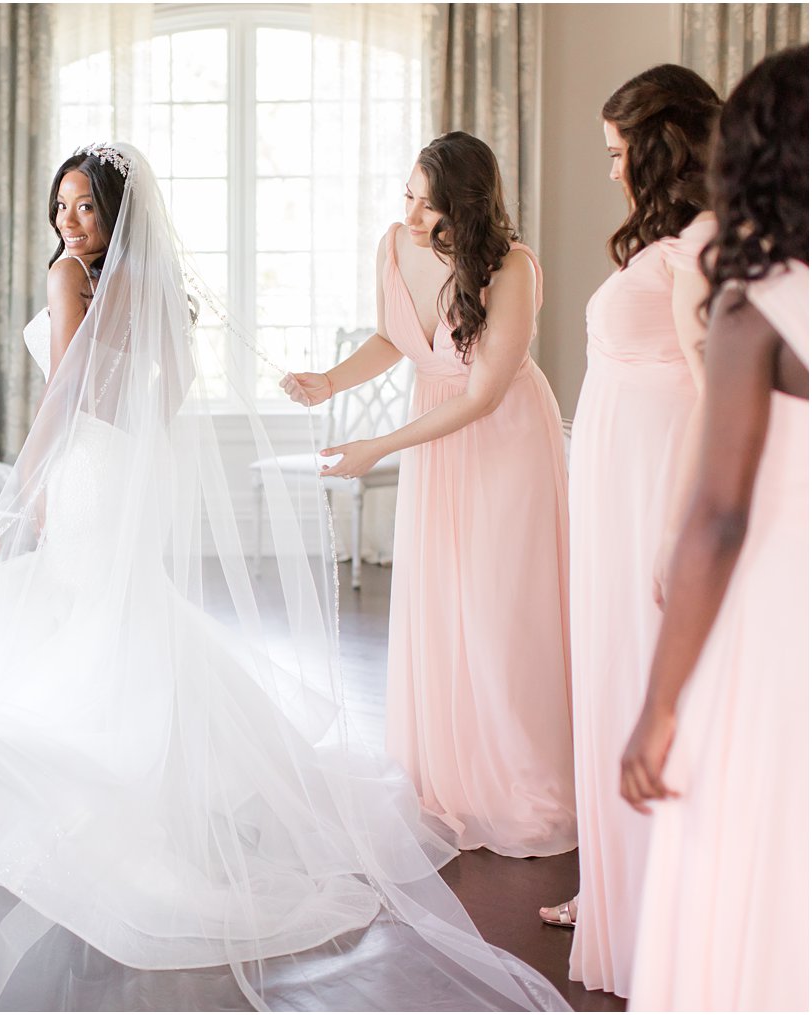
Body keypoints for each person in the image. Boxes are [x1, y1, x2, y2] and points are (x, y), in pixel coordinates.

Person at [0, 143, 568, 1012]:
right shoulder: (147, 284)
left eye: (86, 208)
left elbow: (62, 395)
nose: (71, 223)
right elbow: (168, 385)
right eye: (62, 206)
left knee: (87, 617)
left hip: (84, 464)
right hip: (124, 463)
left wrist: (28, 481)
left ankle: (97, 772)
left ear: (113, 213)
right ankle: (151, 763)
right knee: (115, 614)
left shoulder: (74, 280)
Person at [282, 131, 576, 858]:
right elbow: (397, 338)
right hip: (435, 442)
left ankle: (525, 777)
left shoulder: (512, 269)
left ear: (466, 208)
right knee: (442, 601)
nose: (411, 215)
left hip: (501, 441)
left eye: (428, 205)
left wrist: (378, 447)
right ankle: (450, 773)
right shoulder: (395, 245)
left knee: (501, 608)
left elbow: (480, 395)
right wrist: (329, 380)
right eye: (408, 196)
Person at [621, 44, 808, 1011]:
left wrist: (658, 703)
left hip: (781, 617)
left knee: (757, 837)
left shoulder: (757, 304)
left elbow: (720, 515)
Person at [535, 67, 719, 1001]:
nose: (610, 173)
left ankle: (656, 899)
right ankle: (615, 884)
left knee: (643, 683)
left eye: (617, 153)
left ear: (658, 148)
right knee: (607, 678)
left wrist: (675, 527)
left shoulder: (703, 246)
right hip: (612, 491)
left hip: (654, 498)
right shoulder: (665, 240)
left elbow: (718, 387)